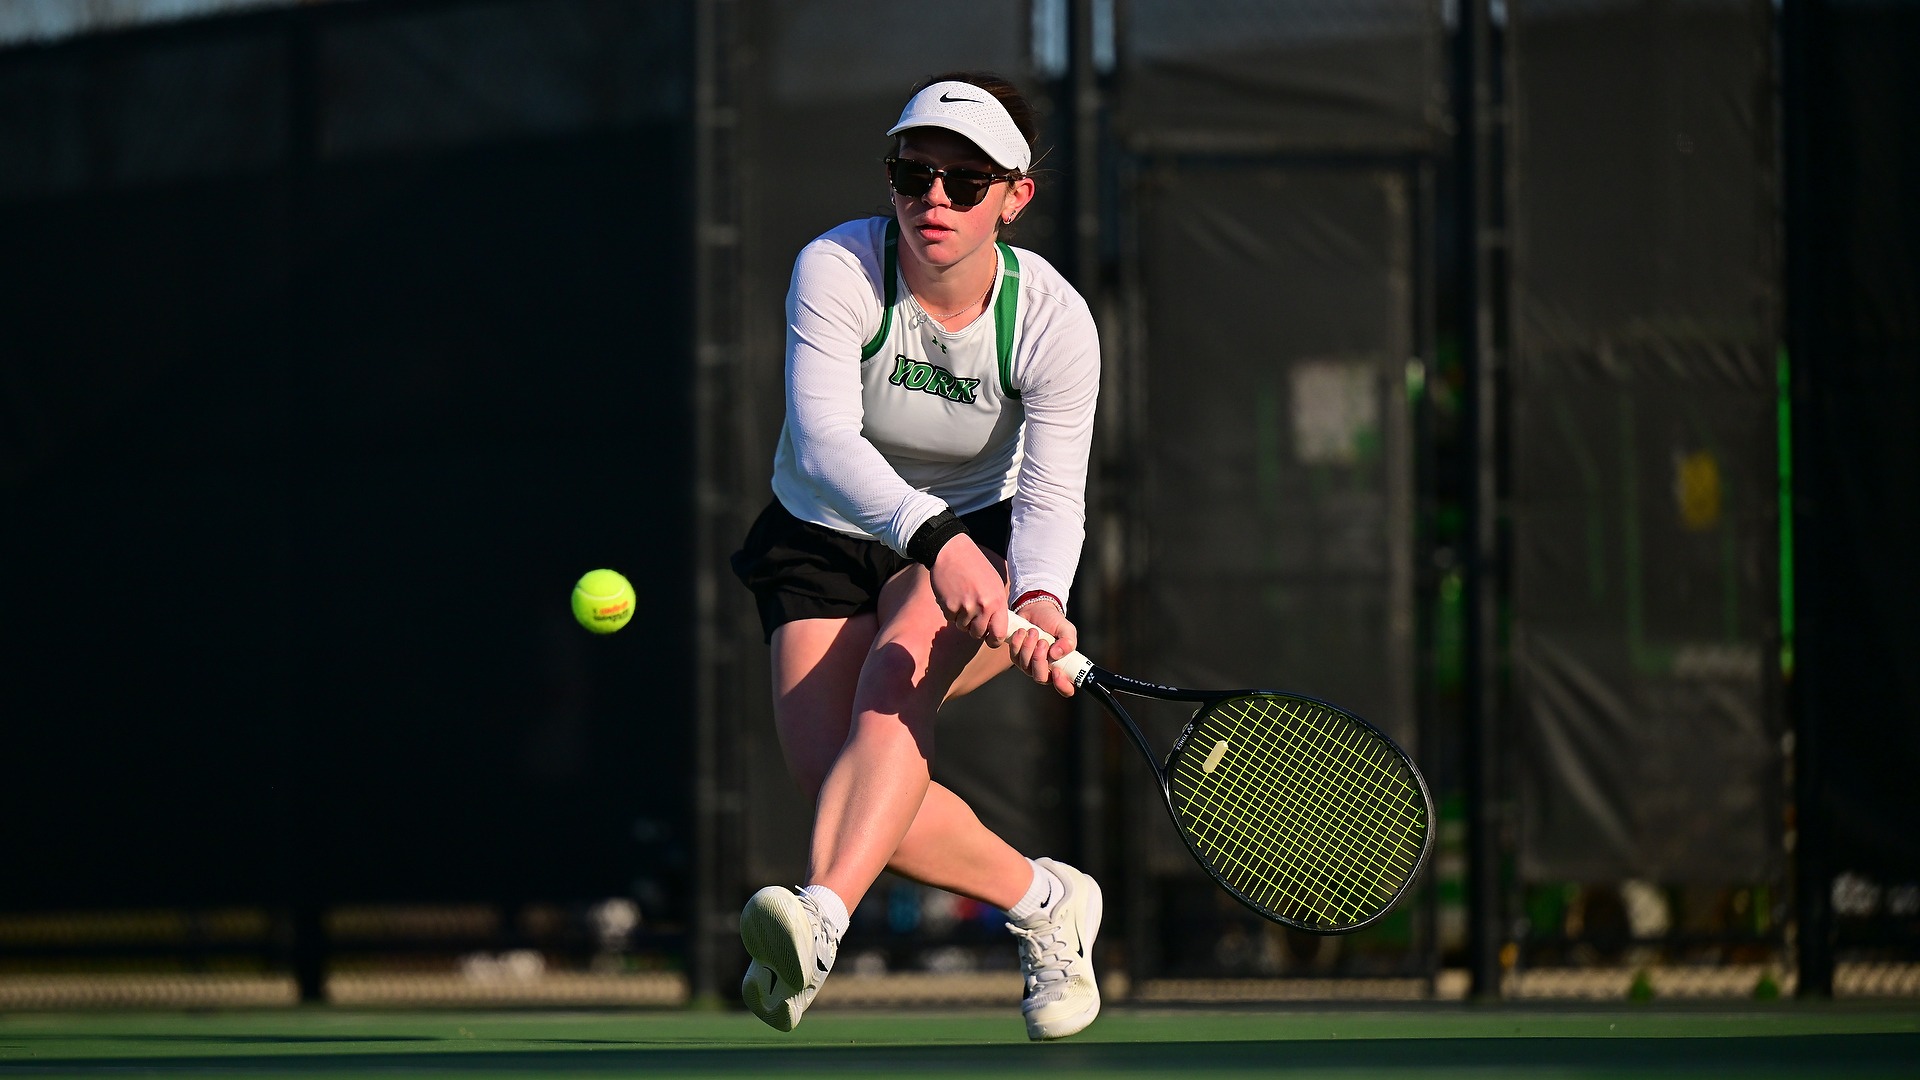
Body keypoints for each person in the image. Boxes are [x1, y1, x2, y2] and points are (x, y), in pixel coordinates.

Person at [728, 71, 1103, 1041]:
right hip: (823, 530)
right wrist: (930, 540)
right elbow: (825, 444)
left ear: (1016, 197)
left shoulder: (1056, 325)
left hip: (981, 528)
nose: (933, 197)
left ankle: (820, 921)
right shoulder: (839, 269)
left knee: (899, 668)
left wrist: (1045, 598)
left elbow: (1056, 495)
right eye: (913, 173)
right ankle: (1047, 902)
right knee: (841, 784)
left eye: (966, 181)